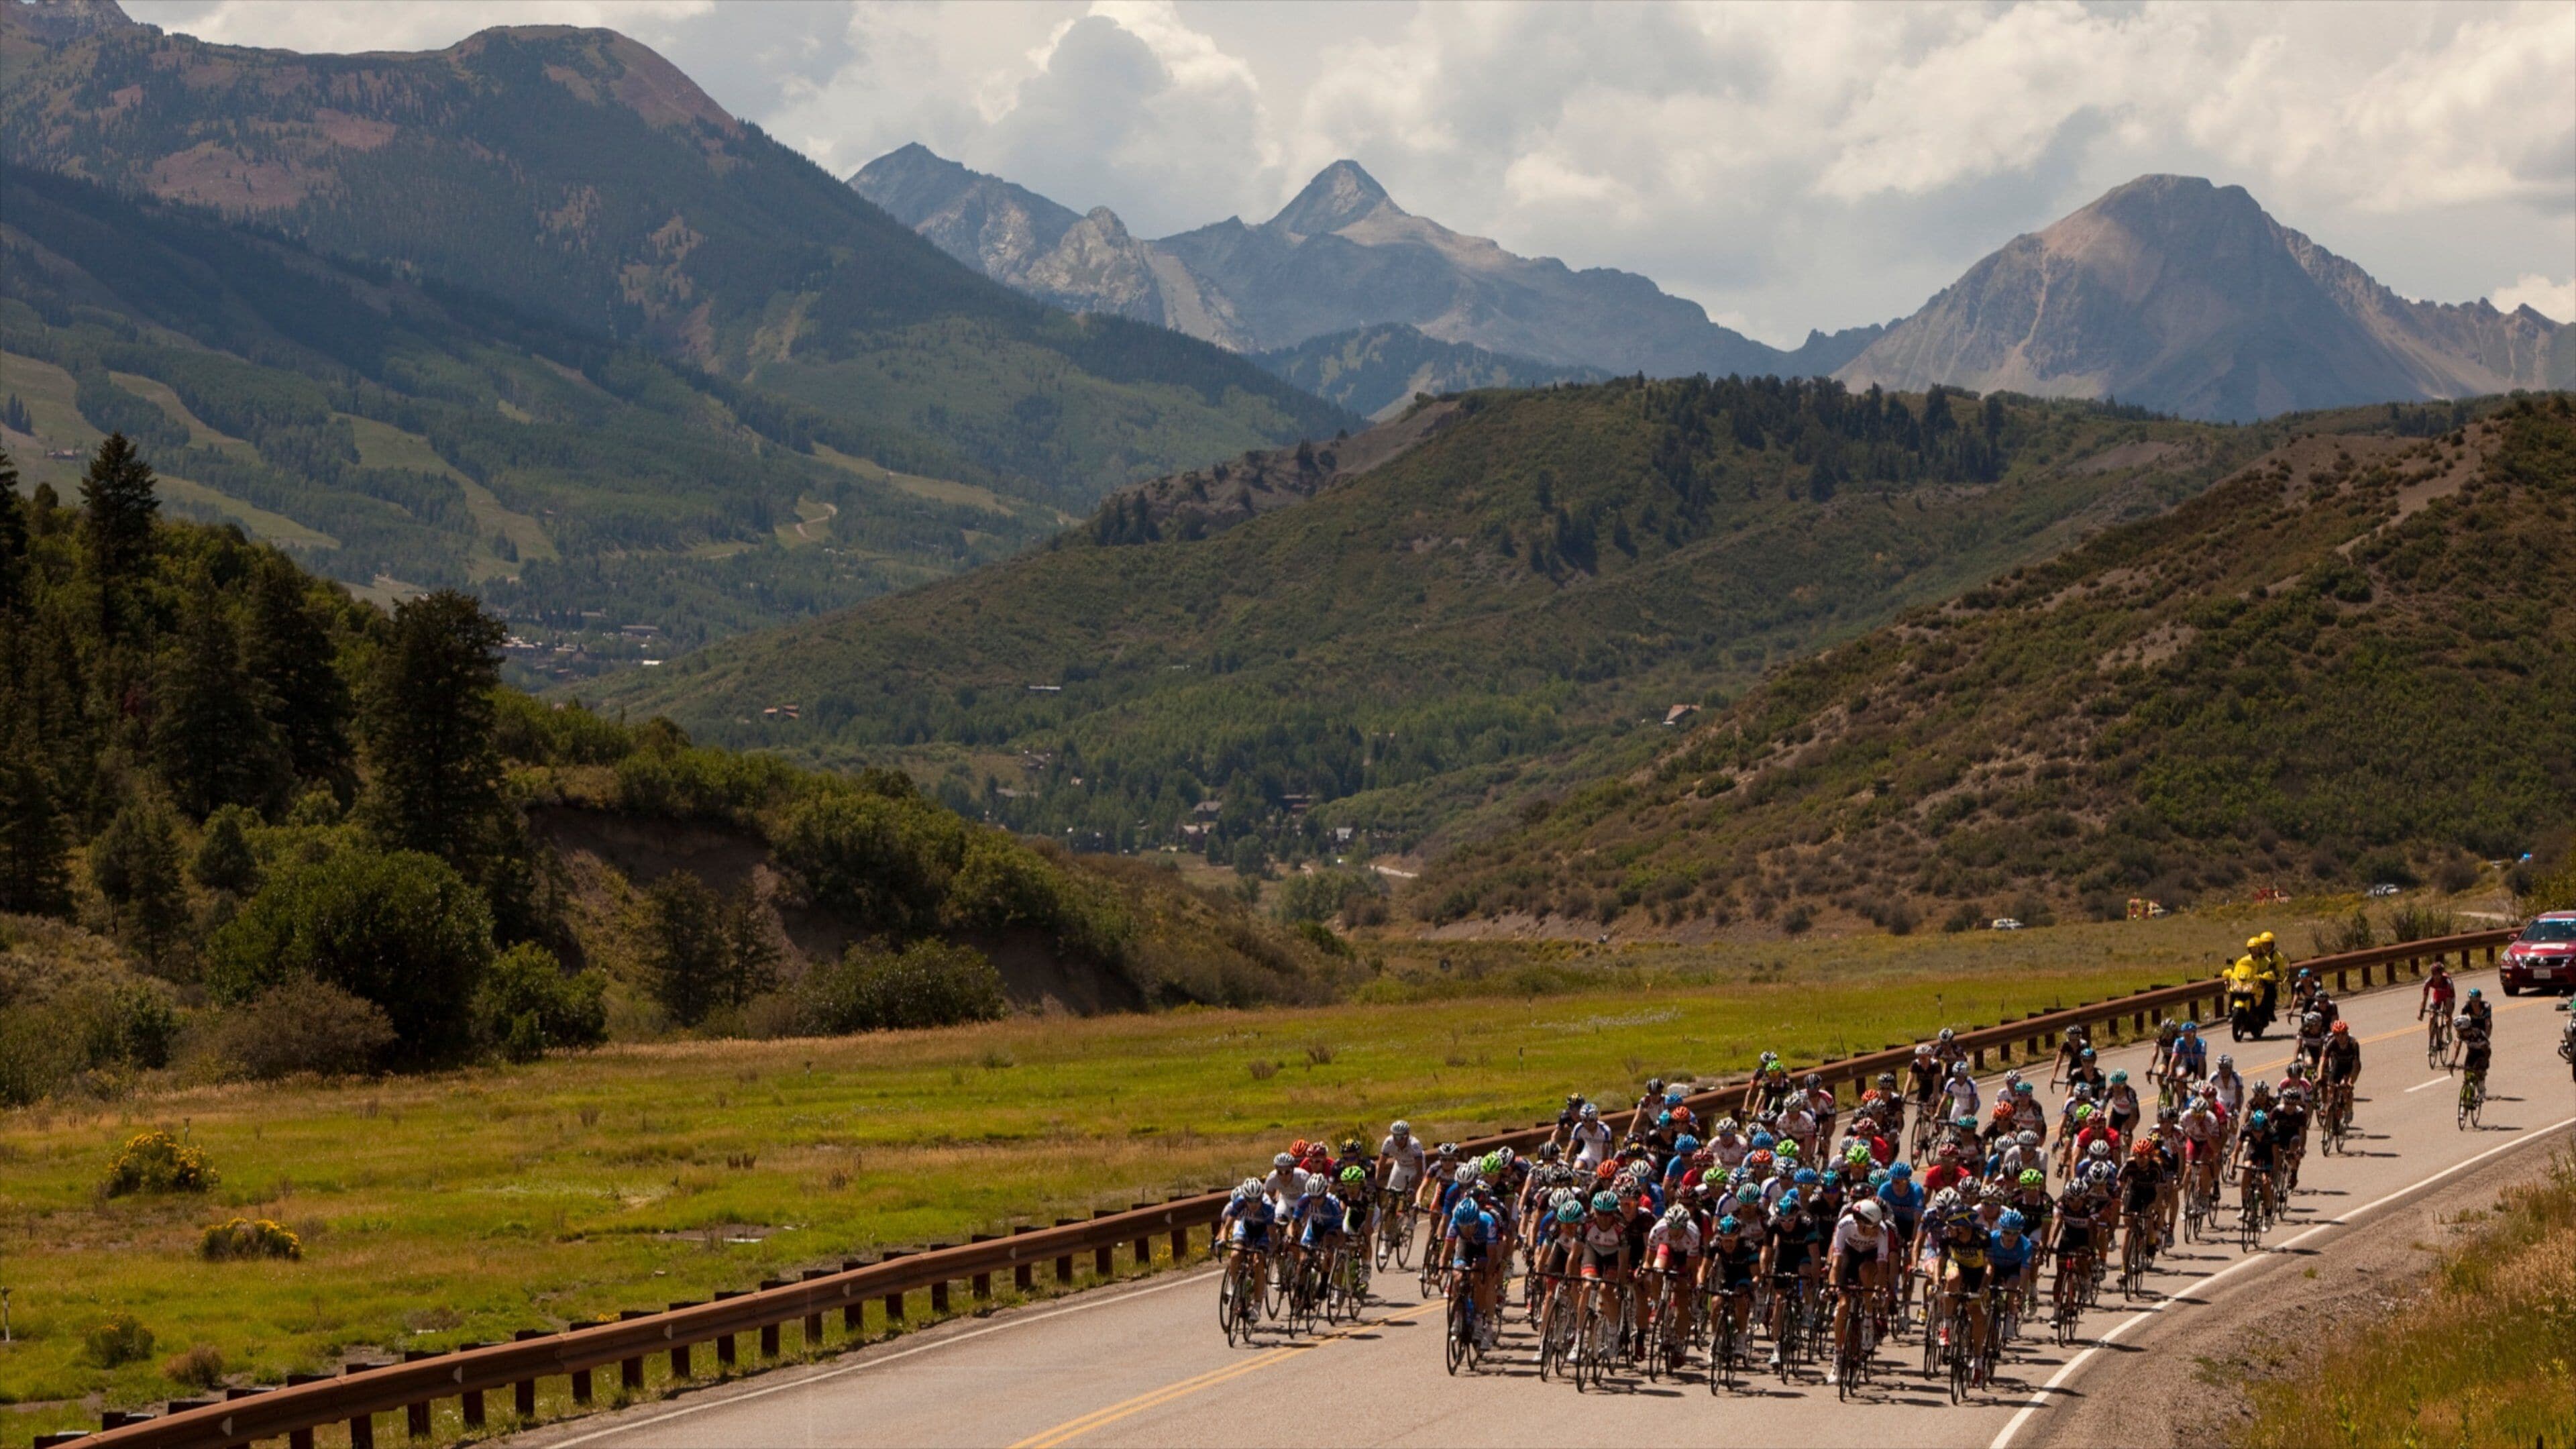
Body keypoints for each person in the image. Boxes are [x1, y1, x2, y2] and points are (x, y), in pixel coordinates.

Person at [1824, 1197, 1888, 1384]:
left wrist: (1880, 1290)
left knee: (1866, 1271)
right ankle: (1837, 1360)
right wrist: (1833, 1286)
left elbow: (1882, 1265)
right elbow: (1836, 1261)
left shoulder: (1882, 1229)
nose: (1876, 1230)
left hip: (1870, 1257)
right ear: (1861, 1223)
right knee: (1843, 1305)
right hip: (1850, 1255)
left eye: (1877, 1226)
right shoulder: (1845, 1225)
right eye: (1872, 1227)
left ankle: (1868, 1318)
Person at [2320, 1021, 2363, 1130]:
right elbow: (2323, 1060)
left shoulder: (2353, 1043)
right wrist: (2319, 1076)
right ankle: (2329, 1108)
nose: (2341, 1037)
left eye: (2343, 1034)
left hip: (2351, 1068)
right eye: (2337, 1034)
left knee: (2345, 1087)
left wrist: (2350, 1082)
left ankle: (2349, 1109)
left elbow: (2356, 1064)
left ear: (2347, 1033)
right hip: (2338, 1066)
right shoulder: (2332, 1043)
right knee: (2331, 1088)